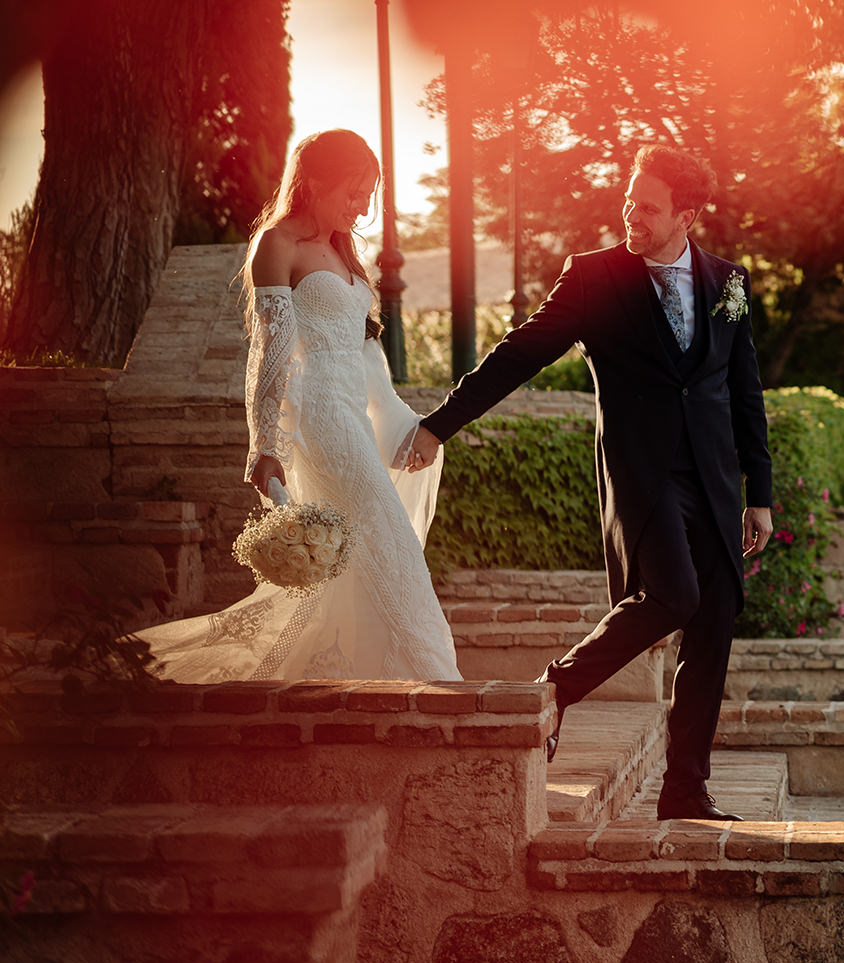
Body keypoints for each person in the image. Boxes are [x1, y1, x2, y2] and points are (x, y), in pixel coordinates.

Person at [404, 144, 772, 822]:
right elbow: (519, 353)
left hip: (717, 480)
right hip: (645, 475)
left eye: (649, 207)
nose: (631, 214)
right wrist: (439, 424)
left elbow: (745, 392)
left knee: (715, 622)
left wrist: (761, 494)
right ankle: (556, 690)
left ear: (686, 216)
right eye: (629, 199)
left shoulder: (729, 282)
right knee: (672, 597)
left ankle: (685, 791)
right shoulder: (594, 279)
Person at [137, 129, 459, 684]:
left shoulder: (342, 252)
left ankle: (363, 690)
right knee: (392, 549)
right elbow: (271, 354)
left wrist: (405, 425)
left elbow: (367, 360)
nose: (361, 208)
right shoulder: (277, 245)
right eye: (353, 192)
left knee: (356, 568)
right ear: (314, 181)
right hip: (322, 426)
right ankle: (434, 687)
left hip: (355, 420)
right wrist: (265, 446)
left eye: (368, 196)